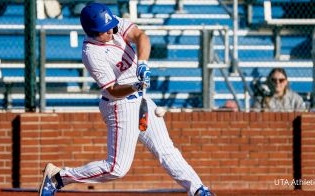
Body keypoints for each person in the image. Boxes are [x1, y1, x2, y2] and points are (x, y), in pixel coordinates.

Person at [38, 3, 214, 196]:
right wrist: (135, 86)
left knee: (166, 150)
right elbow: (113, 90)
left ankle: (198, 189)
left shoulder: (112, 24)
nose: (111, 31)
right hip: (118, 104)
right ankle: (59, 177)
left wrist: (143, 64)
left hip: (140, 100)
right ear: (93, 32)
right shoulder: (91, 53)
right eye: (105, 30)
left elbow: (141, 36)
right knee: (117, 168)